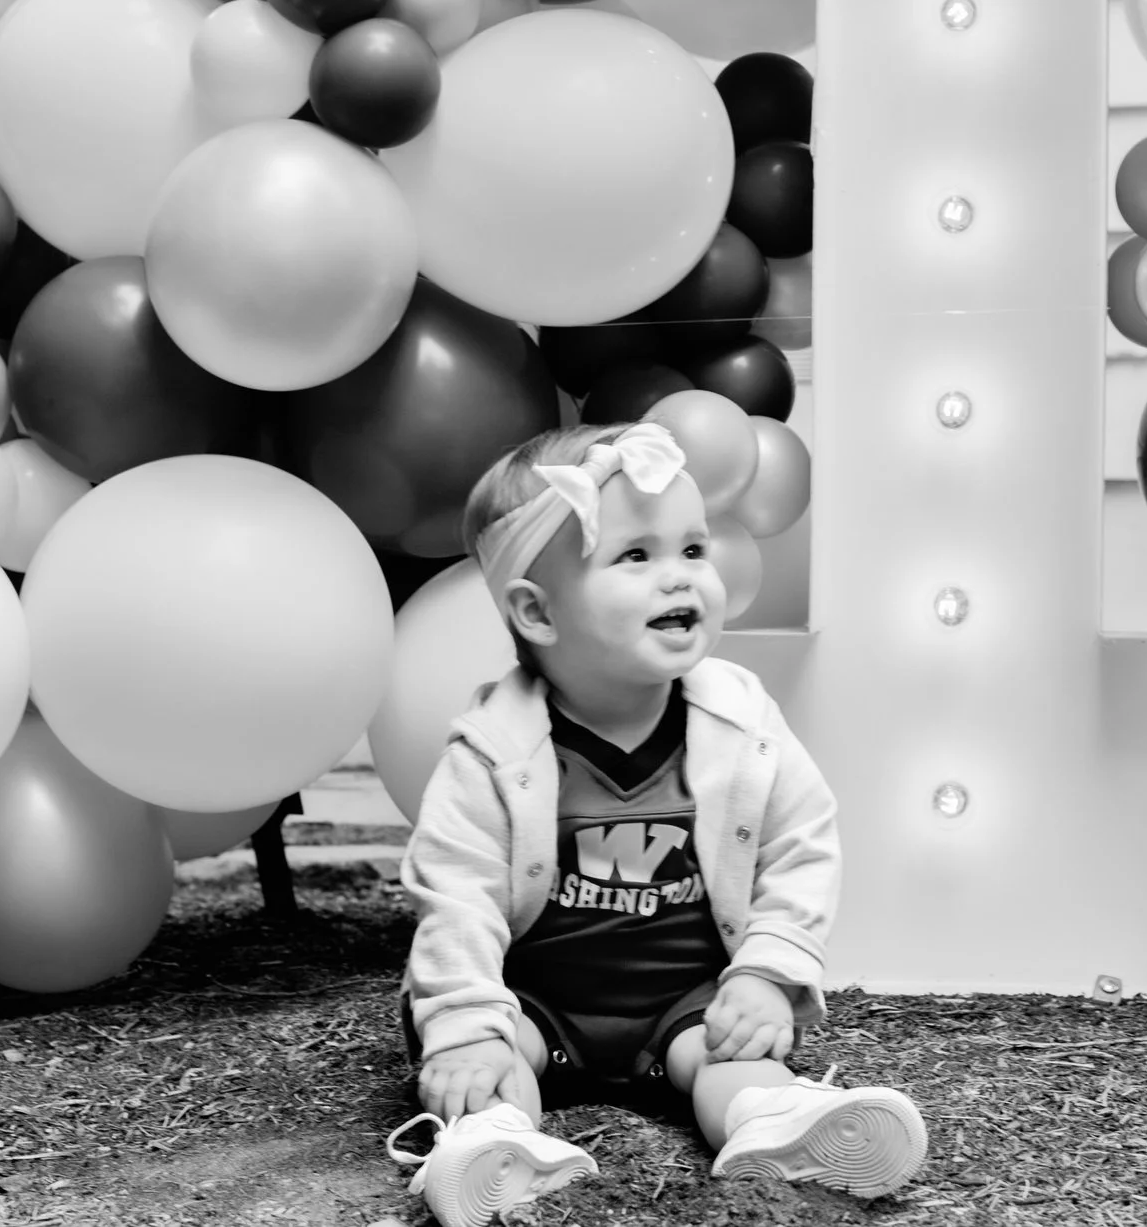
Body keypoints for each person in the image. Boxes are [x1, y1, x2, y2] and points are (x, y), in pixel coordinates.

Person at [386, 421, 927, 1226]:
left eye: (694, 549)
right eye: (636, 555)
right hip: (532, 999)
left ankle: (771, 1121)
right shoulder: (494, 750)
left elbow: (801, 845)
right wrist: (464, 1026)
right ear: (537, 610)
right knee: (489, 1064)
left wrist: (765, 973)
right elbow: (456, 895)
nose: (680, 577)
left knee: (732, 1055)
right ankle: (493, 1137)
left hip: (686, 998)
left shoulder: (741, 721)